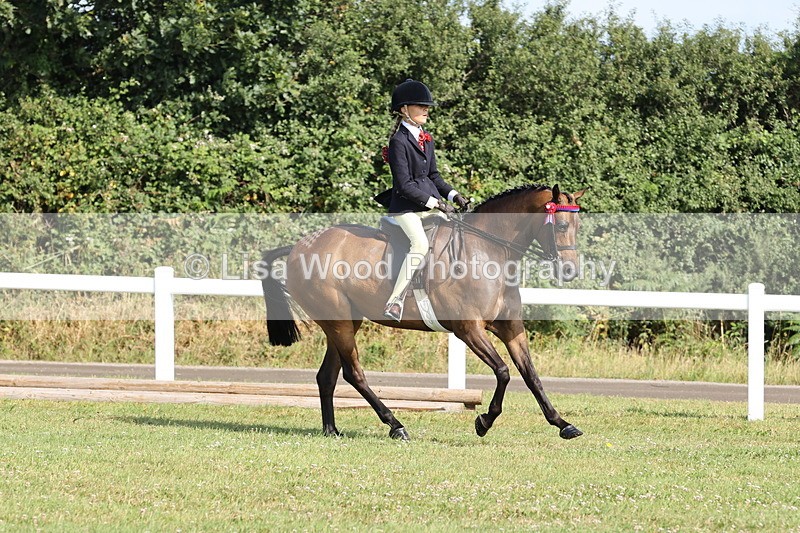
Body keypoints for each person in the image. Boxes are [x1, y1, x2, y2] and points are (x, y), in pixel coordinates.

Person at [378, 79, 469, 322]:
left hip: (427, 203)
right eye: (421, 106)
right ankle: (395, 301)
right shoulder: (398, 141)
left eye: (426, 106)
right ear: (404, 109)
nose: (426, 109)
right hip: (405, 207)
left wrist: (454, 195)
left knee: (458, 231)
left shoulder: (425, 138)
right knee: (419, 244)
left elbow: (434, 176)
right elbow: (405, 185)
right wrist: (437, 203)